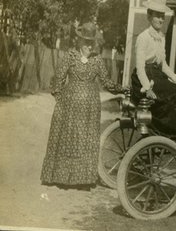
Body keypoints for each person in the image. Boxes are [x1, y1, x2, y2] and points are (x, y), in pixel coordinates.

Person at [41, 22, 126, 189]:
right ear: (79, 41)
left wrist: (123, 89)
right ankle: (61, 177)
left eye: (91, 42)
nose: (89, 45)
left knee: (86, 140)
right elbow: (58, 80)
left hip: (90, 109)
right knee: (69, 140)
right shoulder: (70, 56)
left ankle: (83, 179)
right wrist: (62, 102)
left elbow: (106, 82)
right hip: (69, 108)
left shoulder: (97, 60)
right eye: (86, 41)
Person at [130, 0, 176, 142]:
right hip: (144, 79)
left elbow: (163, 65)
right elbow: (140, 67)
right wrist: (147, 88)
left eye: (162, 16)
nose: (161, 20)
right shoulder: (143, 37)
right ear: (149, 16)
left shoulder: (161, 37)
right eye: (157, 16)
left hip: (156, 76)